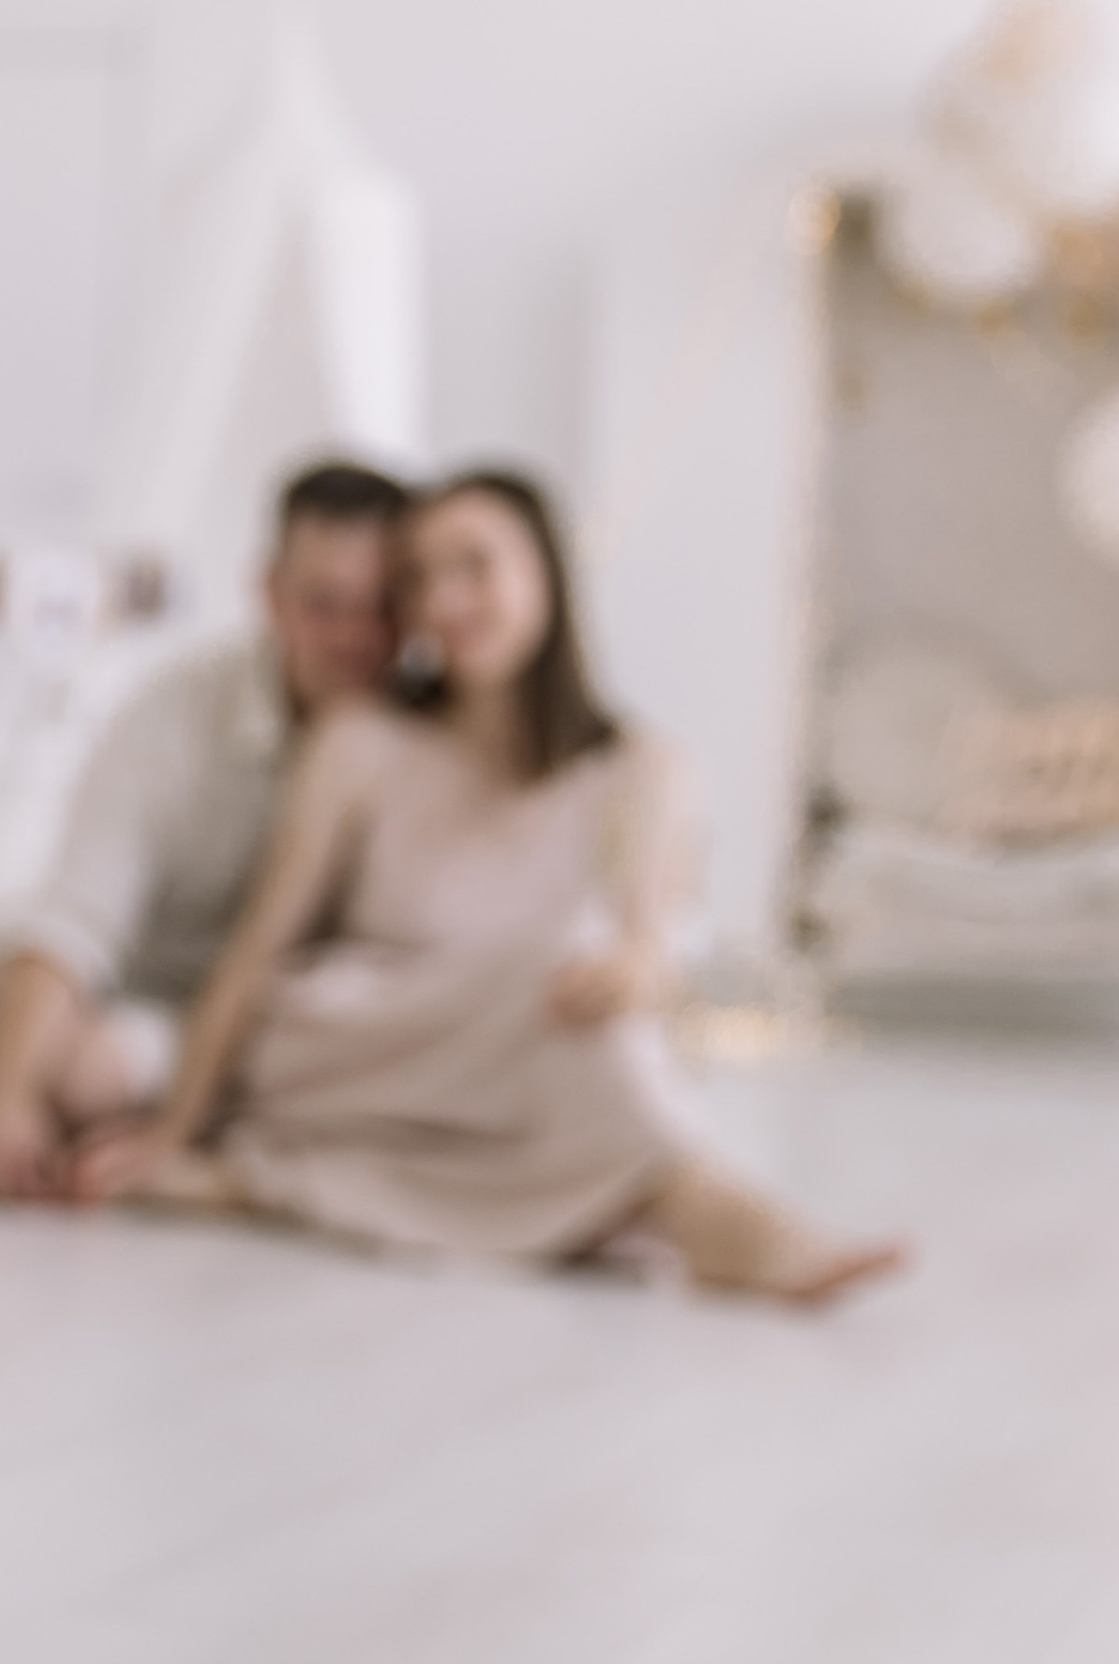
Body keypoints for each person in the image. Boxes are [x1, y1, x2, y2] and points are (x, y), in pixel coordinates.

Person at [75, 470, 904, 1304]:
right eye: (420, 579)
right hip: (353, 1043)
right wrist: (173, 1130)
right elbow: (259, 946)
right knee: (559, 972)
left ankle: (284, 1185)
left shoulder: (642, 771)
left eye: (474, 566)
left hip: (526, 1062)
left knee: (586, 1000)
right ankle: (709, 1216)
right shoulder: (361, 742)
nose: (445, 599)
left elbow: (651, 954)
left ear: (546, 571)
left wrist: (627, 975)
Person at [0, 459, 408, 1193]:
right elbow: (76, 918)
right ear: (272, 594)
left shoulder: (419, 741)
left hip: (211, 1019)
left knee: (95, 1072)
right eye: (325, 604)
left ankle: (25, 1112)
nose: (353, 634)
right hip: (110, 960)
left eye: (377, 607)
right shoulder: (179, 710)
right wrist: (0, 1102)